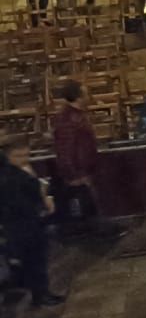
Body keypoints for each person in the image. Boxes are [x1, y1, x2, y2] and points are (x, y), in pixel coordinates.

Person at [0, 138, 64, 306]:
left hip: (28, 221)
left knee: (37, 260)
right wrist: (40, 204)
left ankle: (42, 293)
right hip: (21, 224)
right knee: (33, 261)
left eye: (26, 154)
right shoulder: (9, 175)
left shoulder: (19, 170)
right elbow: (17, 202)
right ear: (8, 156)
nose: (24, 159)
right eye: (18, 155)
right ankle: (40, 295)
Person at [50, 80, 101, 228]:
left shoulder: (76, 116)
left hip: (84, 171)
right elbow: (65, 150)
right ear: (78, 97)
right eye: (86, 94)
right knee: (84, 216)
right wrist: (74, 175)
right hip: (78, 174)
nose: (89, 97)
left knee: (90, 212)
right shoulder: (68, 119)